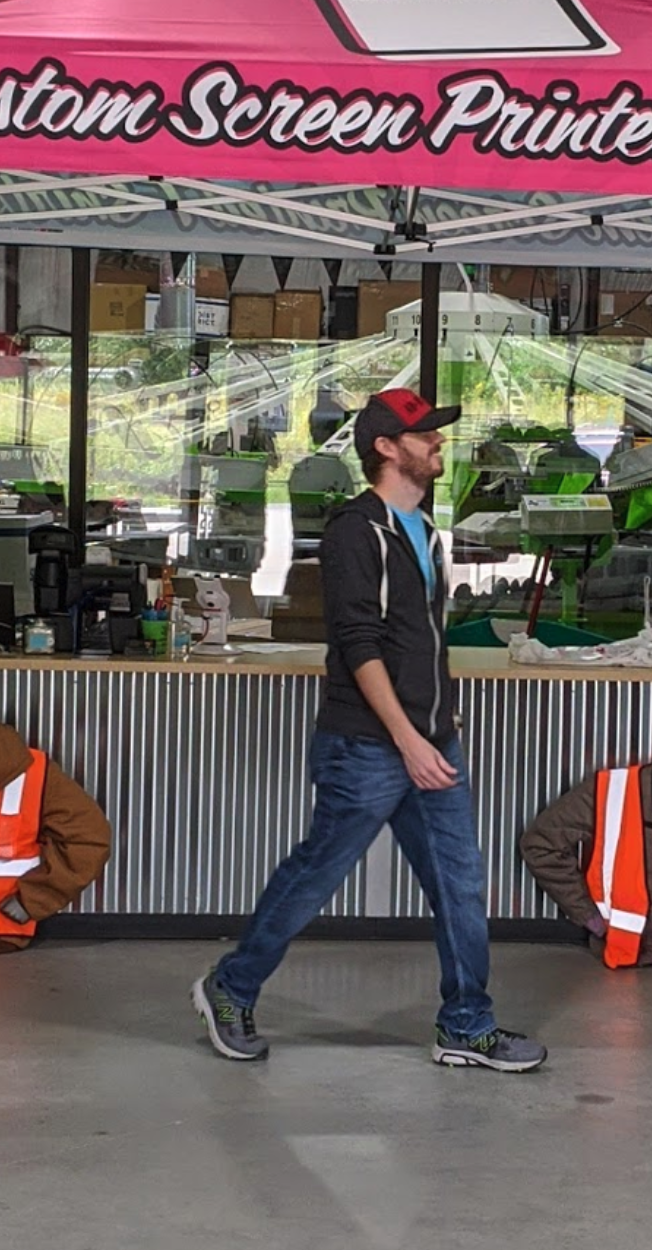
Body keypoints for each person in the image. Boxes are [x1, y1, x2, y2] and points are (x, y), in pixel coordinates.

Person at [192, 388, 546, 1073]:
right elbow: (359, 645)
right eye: (425, 435)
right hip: (366, 749)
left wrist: (438, 717)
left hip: (429, 742)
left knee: (460, 886)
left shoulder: (426, 531)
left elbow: (421, 641)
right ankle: (230, 987)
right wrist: (409, 740)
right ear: (385, 447)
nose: (438, 443)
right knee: (316, 875)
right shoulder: (355, 532)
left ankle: (466, 1026)